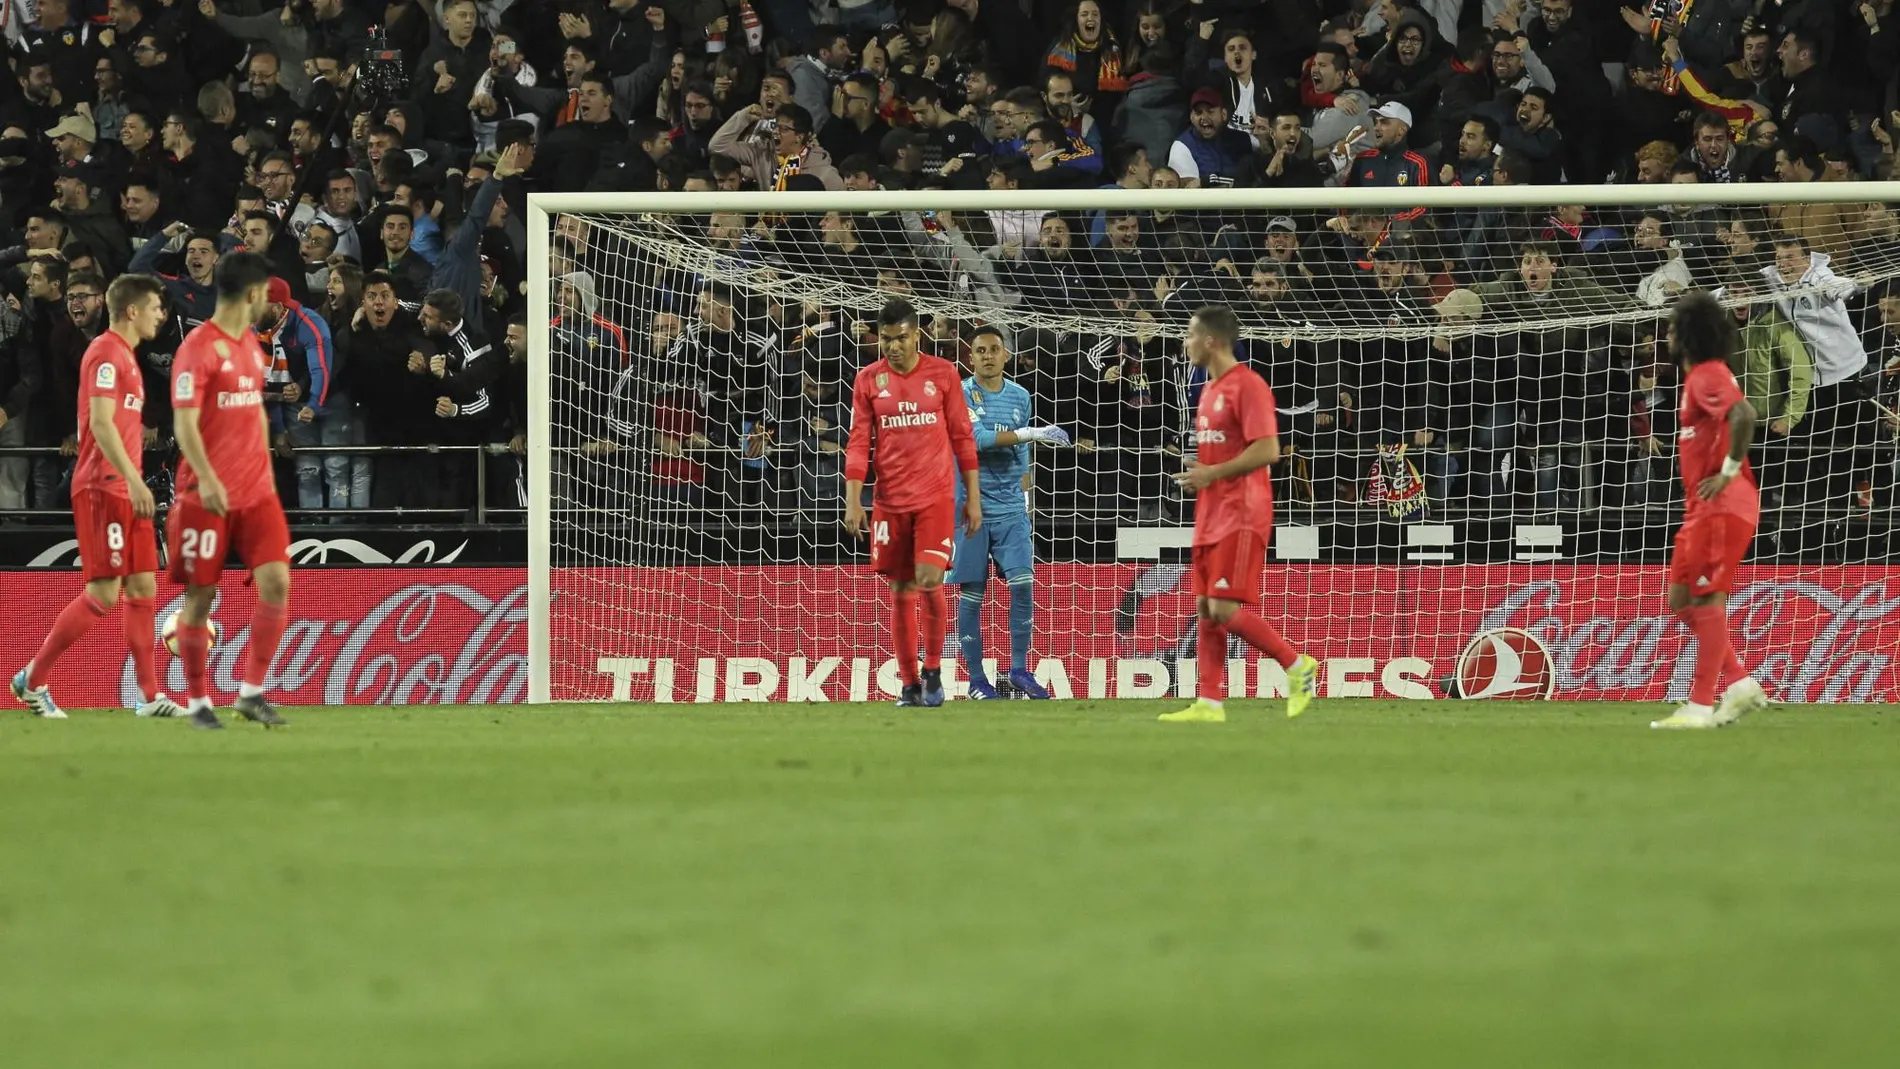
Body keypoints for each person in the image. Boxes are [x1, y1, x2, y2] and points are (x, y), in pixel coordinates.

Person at [11, 274, 181, 720]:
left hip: (127, 486)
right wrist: (134, 478)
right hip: (103, 484)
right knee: (104, 592)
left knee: (144, 585)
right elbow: (100, 425)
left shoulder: (126, 356)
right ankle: (33, 680)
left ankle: (149, 697)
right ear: (131, 310)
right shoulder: (105, 353)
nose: (161, 315)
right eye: (155, 307)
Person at [1161, 305, 1319, 724]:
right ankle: (1210, 702)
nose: (1185, 342)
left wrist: (1212, 472)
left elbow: (1269, 450)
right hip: (1210, 512)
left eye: (1190, 335)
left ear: (1210, 340)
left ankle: (1296, 664)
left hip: (1242, 511)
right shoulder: (1208, 392)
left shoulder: (1247, 385)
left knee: (1225, 608)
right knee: (1205, 608)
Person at [165, 251, 294, 730]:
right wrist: (210, 476)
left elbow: (255, 411)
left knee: (277, 581)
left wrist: (265, 469)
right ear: (255, 294)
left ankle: (251, 692)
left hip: (256, 491)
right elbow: (184, 421)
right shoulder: (197, 347)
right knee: (201, 596)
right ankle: (199, 702)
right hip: (206, 492)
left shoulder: (250, 347)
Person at [843, 298, 980, 708]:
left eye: (900, 338)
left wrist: (972, 498)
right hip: (889, 501)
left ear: (916, 334)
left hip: (936, 497)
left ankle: (934, 672)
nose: (893, 347)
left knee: (928, 578)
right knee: (900, 587)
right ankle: (908, 684)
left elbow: (962, 438)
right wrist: (854, 499)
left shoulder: (943, 374)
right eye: (885, 340)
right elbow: (857, 443)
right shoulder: (868, 380)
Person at [1651, 292, 1770, 730]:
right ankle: (1738, 682)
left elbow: (1744, 414)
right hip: (1700, 507)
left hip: (1722, 504)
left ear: (1688, 334)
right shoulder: (1696, 379)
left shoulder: (1706, 375)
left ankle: (1700, 706)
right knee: (1680, 599)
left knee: (1705, 597)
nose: (1666, 333)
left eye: (1672, 326)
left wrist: (1729, 470)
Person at [952, 326, 1072, 701]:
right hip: (971, 508)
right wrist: (1033, 434)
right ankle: (977, 681)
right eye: (980, 350)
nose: (987, 355)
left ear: (1006, 356)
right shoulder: (961, 392)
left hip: (1010, 509)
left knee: (1023, 584)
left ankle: (1019, 669)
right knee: (973, 594)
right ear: (970, 357)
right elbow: (978, 441)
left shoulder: (1020, 396)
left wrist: (1026, 497)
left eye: (994, 349)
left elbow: (1021, 454)